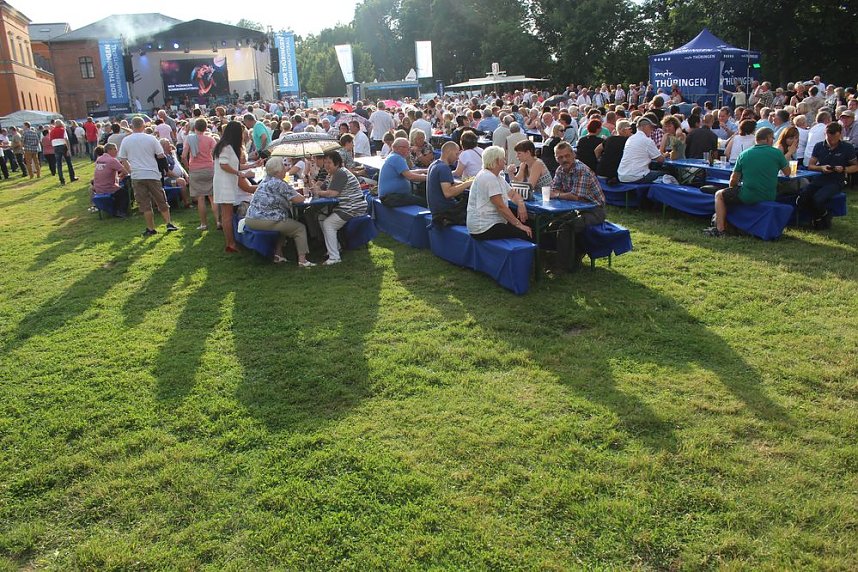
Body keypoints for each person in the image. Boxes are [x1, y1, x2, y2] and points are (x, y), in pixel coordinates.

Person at [704, 128, 789, 237]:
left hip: (748, 195)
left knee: (719, 194)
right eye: (772, 138)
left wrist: (733, 188)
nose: (773, 140)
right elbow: (787, 172)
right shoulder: (777, 153)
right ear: (768, 138)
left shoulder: (745, 154)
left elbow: (733, 179)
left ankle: (720, 229)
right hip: (769, 195)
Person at [244, 158, 314, 267]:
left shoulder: (265, 180)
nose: (285, 169)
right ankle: (302, 260)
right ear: (278, 171)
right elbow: (299, 199)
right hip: (265, 220)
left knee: (283, 226)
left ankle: (278, 254)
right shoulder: (279, 183)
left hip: (250, 219)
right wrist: (306, 192)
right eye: (283, 167)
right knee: (299, 228)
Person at [118, 117, 177, 236]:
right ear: (144, 126)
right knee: (161, 199)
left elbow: (123, 159)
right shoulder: (151, 139)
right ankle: (168, 223)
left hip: (137, 175)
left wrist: (130, 171)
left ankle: (151, 228)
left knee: (144, 203)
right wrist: (164, 170)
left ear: (131, 126)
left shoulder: (126, 140)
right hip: (152, 173)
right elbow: (161, 155)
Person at [312, 151, 368, 265]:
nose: (326, 165)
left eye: (329, 163)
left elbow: (333, 193)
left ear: (337, 164)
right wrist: (315, 185)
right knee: (321, 216)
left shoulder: (340, 173)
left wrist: (319, 192)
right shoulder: (332, 174)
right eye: (325, 162)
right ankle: (335, 248)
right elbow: (323, 187)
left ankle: (334, 257)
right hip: (345, 205)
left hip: (353, 206)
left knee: (328, 223)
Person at [798, 122, 857, 229]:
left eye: (833, 139)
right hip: (820, 178)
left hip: (836, 180)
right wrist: (821, 168)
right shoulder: (819, 146)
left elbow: (855, 167)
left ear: (839, 135)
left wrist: (844, 169)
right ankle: (821, 216)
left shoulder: (847, 148)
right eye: (828, 139)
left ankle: (819, 219)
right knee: (803, 197)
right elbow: (811, 165)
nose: (830, 142)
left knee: (818, 198)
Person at [466, 145, 531, 240]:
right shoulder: (489, 178)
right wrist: (519, 225)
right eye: (503, 159)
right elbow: (501, 207)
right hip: (484, 227)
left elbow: (513, 194)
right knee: (524, 232)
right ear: (496, 161)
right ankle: (536, 253)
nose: (505, 161)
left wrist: (521, 204)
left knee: (526, 223)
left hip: (490, 223)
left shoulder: (496, 176)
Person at [213, 121, 259, 251]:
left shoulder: (226, 146)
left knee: (227, 215)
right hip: (224, 185)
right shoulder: (226, 147)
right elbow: (224, 165)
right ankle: (230, 244)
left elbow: (234, 165)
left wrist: (253, 165)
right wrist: (240, 174)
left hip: (226, 183)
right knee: (227, 216)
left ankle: (230, 242)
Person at [550, 141, 606, 228]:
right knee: (552, 223)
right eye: (560, 157)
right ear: (556, 159)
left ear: (574, 155)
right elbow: (554, 189)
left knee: (565, 227)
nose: (564, 160)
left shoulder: (581, 170)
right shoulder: (560, 170)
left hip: (594, 210)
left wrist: (558, 195)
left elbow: (576, 196)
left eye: (567, 156)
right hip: (573, 208)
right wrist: (564, 195)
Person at [181, 118, 220, 231]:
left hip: (195, 169)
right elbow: (217, 152)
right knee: (212, 197)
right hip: (209, 168)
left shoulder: (189, 139)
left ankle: (204, 224)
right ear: (205, 127)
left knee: (201, 198)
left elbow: (183, 156)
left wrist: (188, 167)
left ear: (195, 127)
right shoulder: (210, 139)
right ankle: (218, 221)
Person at [427, 141, 473, 226]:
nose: (458, 158)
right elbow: (448, 193)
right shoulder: (444, 168)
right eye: (456, 154)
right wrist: (468, 183)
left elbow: (449, 183)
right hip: (445, 212)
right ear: (449, 152)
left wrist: (465, 183)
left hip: (437, 210)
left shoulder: (434, 164)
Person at [378, 136, 427, 207]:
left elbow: (408, 172)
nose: (409, 149)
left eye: (409, 147)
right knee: (423, 202)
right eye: (406, 147)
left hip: (390, 197)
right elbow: (410, 177)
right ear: (396, 148)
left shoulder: (393, 156)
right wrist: (429, 177)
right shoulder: (397, 158)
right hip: (391, 198)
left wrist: (426, 170)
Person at [617, 116, 665, 183]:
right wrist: (665, 154)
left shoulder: (630, 139)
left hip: (622, 175)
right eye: (651, 127)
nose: (652, 130)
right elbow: (660, 160)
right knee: (666, 174)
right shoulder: (647, 141)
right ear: (645, 127)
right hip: (636, 176)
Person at [92, 143, 129, 216]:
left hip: (97, 187)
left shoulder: (99, 159)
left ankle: (112, 209)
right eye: (115, 149)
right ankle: (121, 211)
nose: (117, 151)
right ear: (109, 150)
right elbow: (126, 172)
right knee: (124, 192)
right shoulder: (112, 160)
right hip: (108, 187)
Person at [49, 120, 77, 184]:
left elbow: (51, 141)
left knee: (59, 164)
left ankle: (62, 180)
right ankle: (72, 177)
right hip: (63, 146)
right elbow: (66, 139)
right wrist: (68, 149)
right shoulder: (62, 129)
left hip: (56, 147)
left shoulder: (52, 131)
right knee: (69, 163)